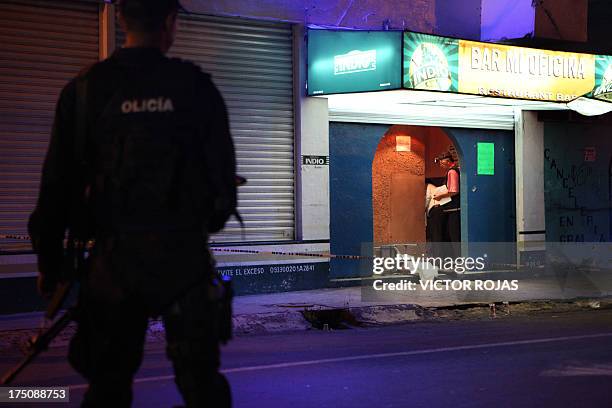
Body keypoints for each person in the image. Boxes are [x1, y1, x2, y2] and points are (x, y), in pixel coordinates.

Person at [27, 0, 237, 406]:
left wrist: (50, 265)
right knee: (201, 385)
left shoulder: (85, 89)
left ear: (120, 18)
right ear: (171, 22)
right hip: (185, 262)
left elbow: (55, 188)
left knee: (107, 386)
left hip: (111, 264)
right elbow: (222, 192)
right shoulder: (197, 88)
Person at [433, 150, 461, 258]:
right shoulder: (455, 170)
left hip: (454, 209)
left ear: (447, 161)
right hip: (452, 209)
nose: (440, 164)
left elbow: (454, 190)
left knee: (454, 236)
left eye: (441, 162)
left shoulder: (452, 172)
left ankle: (459, 259)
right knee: (453, 235)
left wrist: (440, 196)